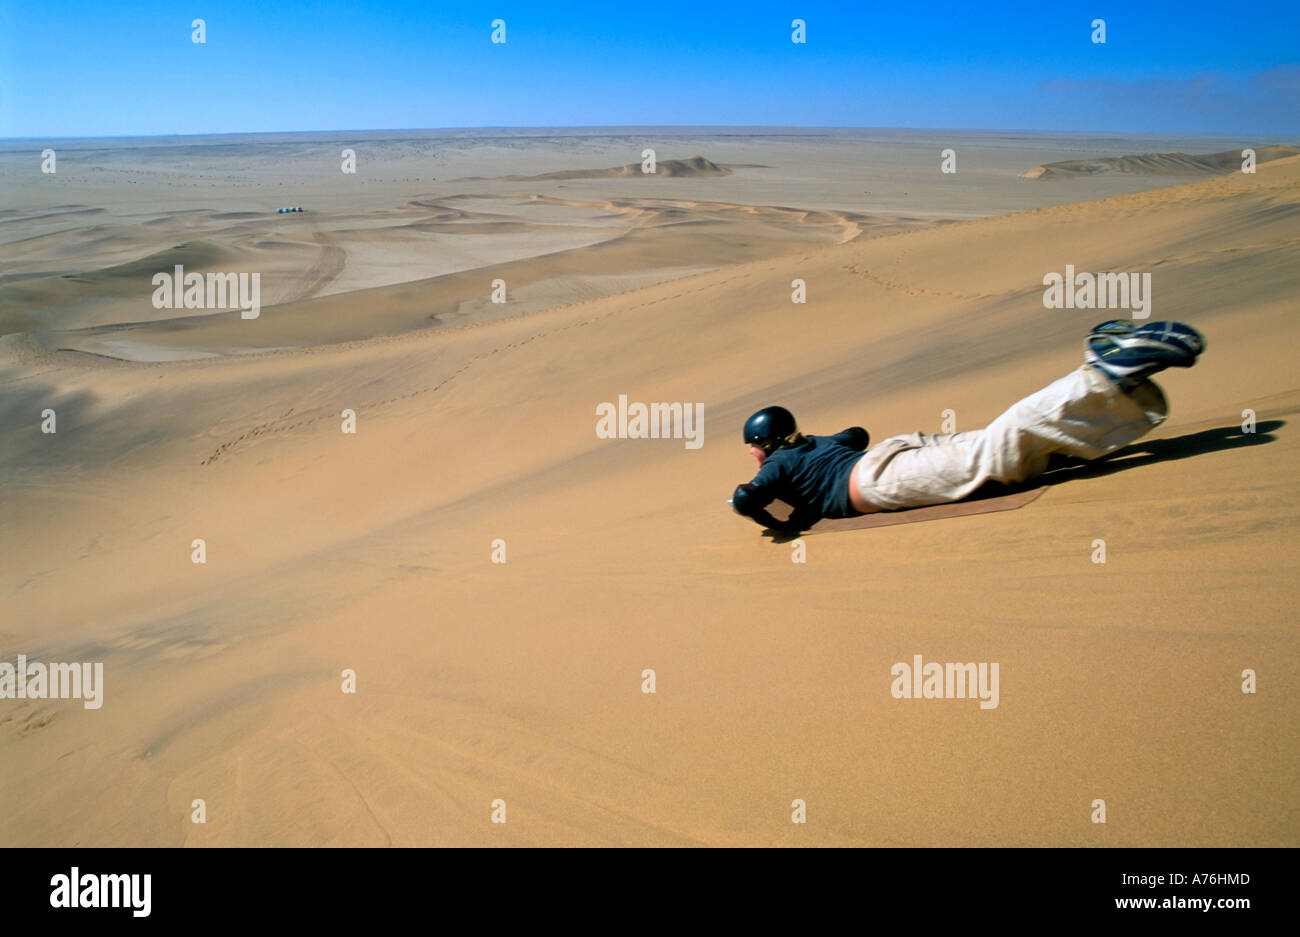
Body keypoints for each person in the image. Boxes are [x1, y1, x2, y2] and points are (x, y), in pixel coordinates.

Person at [731, 320, 1205, 533]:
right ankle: (1126, 388)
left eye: (754, 447)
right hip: (893, 453)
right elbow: (856, 435)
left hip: (878, 480)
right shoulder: (811, 445)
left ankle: (1100, 374)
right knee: (1004, 451)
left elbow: (745, 499)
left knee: (998, 450)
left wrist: (781, 523)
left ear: (763, 444)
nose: (754, 455)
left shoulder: (780, 461)